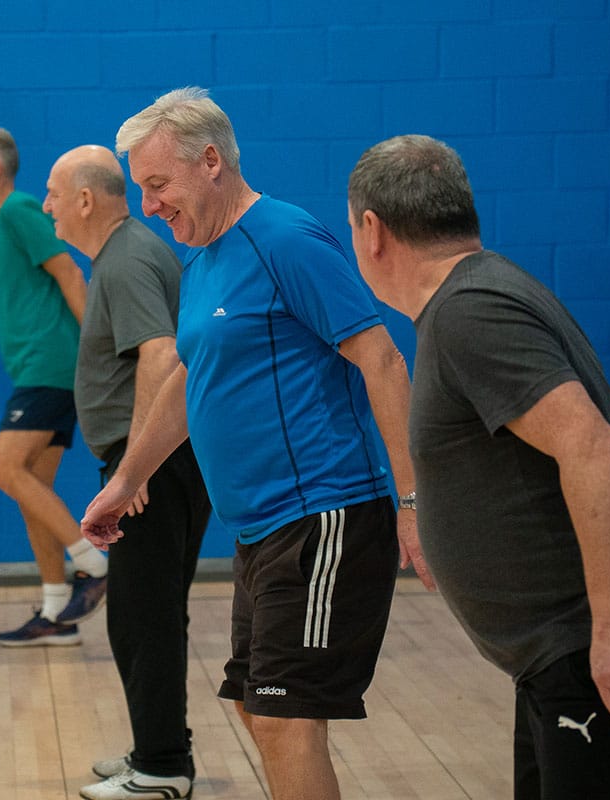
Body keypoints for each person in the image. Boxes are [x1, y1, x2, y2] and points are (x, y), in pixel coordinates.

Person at [80, 87, 435, 800]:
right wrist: (125, 482)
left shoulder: (285, 239)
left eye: (158, 185)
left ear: (210, 160)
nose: (149, 206)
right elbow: (188, 376)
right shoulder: (204, 258)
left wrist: (412, 501)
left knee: (283, 717)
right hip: (260, 529)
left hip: (324, 514)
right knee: (256, 704)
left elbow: (383, 361)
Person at [346, 134, 610, 800]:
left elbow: (595, 444)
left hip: (601, 642)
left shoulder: (468, 313)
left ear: (372, 229)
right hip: (561, 653)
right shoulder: (485, 291)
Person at [41, 145, 211, 800]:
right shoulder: (121, 254)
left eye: (54, 193)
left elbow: (162, 356)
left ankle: (163, 768)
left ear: (85, 199)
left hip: (153, 468)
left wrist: (133, 470)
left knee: (144, 616)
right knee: (142, 614)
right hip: (151, 464)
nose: (47, 205)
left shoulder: (129, 257)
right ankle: (157, 752)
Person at [0, 125, 108, 646]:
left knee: (4, 468)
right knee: (32, 491)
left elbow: (70, 272)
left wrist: (96, 353)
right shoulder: (9, 220)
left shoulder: (20, 210)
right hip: (41, 370)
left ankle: (92, 561)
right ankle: (56, 612)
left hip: (52, 367)